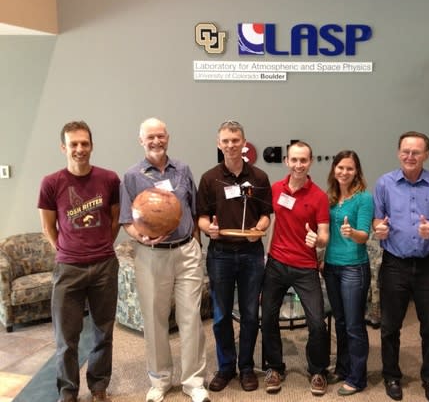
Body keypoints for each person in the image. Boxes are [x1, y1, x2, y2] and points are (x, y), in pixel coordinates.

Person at [119, 118, 209, 402]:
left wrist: (195, 242)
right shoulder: (132, 175)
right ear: (141, 141)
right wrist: (140, 237)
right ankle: (159, 379)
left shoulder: (182, 170)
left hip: (185, 252)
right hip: (151, 255)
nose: (156, 141)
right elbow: (125, 220)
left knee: (191, 317)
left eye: (161, 136)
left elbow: (194, 211)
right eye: (150, 137)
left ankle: (193, 381)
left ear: (168, 137)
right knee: (155, 319)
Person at [38, 121, 120, 402]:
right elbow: (48, 227)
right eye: (73, 144)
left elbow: (115, 218)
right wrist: (65, 249)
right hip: (68, 268)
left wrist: (102, 245)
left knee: (103, 331)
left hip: (104, 266)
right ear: (64, 147)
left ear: (92, 145)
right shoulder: (51, 182)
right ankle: (68, 390)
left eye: (84, 143)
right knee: (66, 336)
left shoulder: (109, 179)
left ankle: (98, 387)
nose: (79, 149)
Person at [373, 131, 429, 402]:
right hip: (394, 264)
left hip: (428, 266)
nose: (410, 156)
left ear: (426, 155)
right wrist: (380, 229)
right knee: (389, 327)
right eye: (405, 151)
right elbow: (377, 220)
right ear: (399, 152)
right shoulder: (384, 183)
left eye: (416, 152)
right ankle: (392, 375)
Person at [196, 120, 272, 392]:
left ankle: (247, 367)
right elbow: (202, 219)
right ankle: (226, 367)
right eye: (225, 141)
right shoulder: (209, 178)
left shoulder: (260, 178)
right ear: (219, 143)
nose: (230, 145)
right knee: (220, 316)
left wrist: (260, 229)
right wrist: (210, 229)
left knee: (251, 314)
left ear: (244, 143)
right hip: (220, 255)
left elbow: (265, 216)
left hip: (251, 254)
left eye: (235, 140)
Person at [260, 141, 331, 396]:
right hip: (277, 263)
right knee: (267, 317)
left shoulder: (319, 197)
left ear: (310, 162)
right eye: (294, 160)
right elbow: (270, 220)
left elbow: (324, 235)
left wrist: (318, 241)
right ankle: (275, 367)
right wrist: (266, 253)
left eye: (303, 160)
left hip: (305, 267)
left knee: (317, 323)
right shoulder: (276, 189)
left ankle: (318, 370)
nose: (299, 165)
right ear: (286, 162)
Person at [323, 150, 374, 396]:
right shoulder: (330, 198)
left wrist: (351, 233)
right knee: (340, 322)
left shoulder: (364, 199)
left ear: (357, 172)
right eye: (340, 167)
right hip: (331, 267)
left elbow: (365, 234)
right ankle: (343, 368)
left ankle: (357, 377)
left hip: (354, 268)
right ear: (334, 169)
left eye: (350, 168)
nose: (344, 172)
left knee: (354, 325)